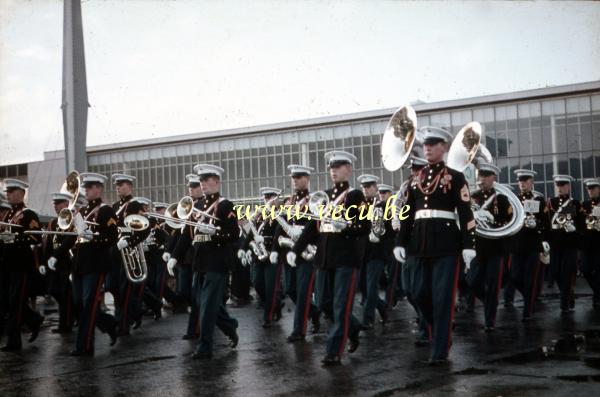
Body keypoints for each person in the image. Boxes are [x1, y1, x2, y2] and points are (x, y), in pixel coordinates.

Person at [394, 127, 476, 365]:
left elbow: (465, 211)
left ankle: (440, 348)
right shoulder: (415, 180)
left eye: (433, 144)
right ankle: (438, 330)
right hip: (418, 244)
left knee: (442, 299)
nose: (427, 148)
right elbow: (408, 214)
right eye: (425, 144)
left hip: (446, 246)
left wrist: (468, 245)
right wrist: (400, 242)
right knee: (416, 292)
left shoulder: (455, 176)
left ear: (444, 147)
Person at [291, 150, 370, 366]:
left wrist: (344, 226)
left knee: (340, 305)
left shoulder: (355, 196)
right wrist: (295, 249)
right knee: (323, 302)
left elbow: (364, 226)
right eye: (331, 167)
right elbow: (311, 228)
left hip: (345, 257)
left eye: (338, 167)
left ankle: (334, 351)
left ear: (349, 169)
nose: (333, 170)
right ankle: (352, 328)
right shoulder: (323, 196)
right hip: (324, 258)